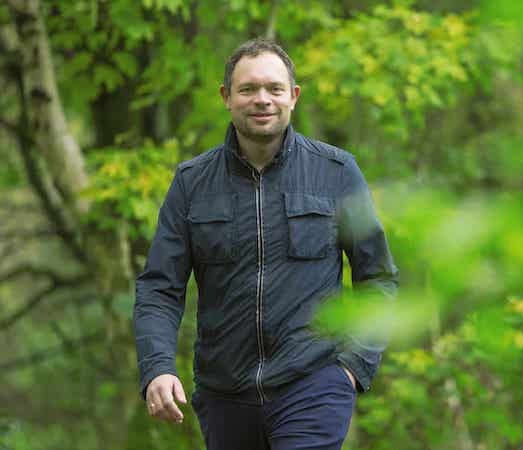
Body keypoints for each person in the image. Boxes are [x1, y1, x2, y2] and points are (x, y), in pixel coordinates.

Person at [133, 38, 398, 450]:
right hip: (224, 396)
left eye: (274, 88)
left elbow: (377, 278)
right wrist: (157, 367)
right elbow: (159, 288)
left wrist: (352, 367)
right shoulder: (192, 183)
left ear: (293, 96)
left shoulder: (335, 172)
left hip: (313, 384)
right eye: (248, 89)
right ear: (226, 97)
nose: (262, 99)